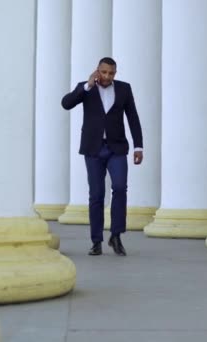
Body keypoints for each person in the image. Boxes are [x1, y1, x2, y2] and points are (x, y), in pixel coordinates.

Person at [61, 57, 143, 256]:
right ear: (97, 71)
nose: (107, 76)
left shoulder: (124, 89)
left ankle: (116, 235)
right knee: (96, 195)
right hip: (93, 149)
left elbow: (133, 117)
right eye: (104, 72)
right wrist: (87, 86)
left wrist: (138, 146)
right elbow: (66, 103)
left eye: (111, 73)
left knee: (120, 188)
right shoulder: (86, 88)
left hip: (117, 148)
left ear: (115, 73)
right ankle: (96, 241)